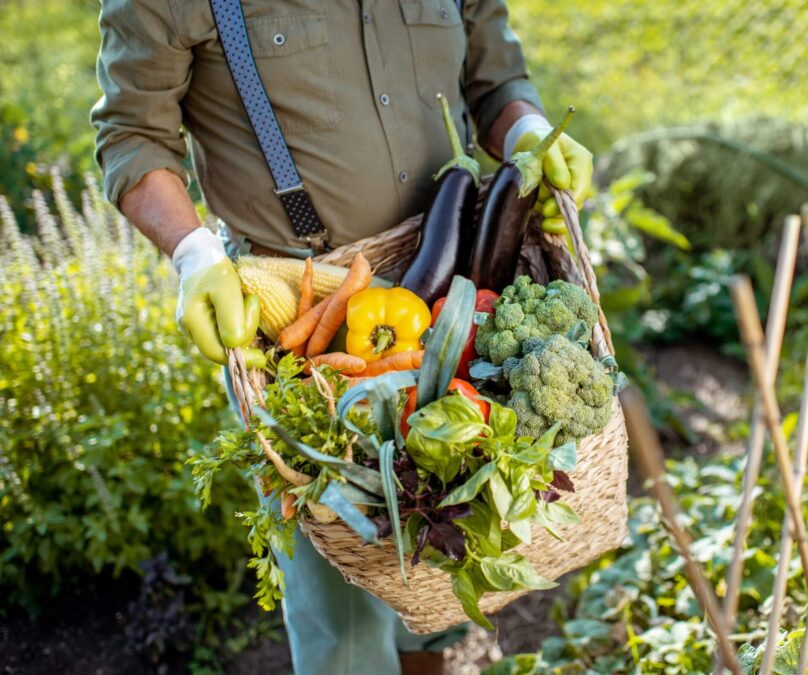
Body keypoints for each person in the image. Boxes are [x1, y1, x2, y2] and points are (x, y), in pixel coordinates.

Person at [91, 1, 593, 673]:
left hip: (460, 297)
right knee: (346, 617)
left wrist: (528, 128)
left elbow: (492, 76)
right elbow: (132, 133)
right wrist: (192, 255)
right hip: (305, 331)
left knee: (438, 571)